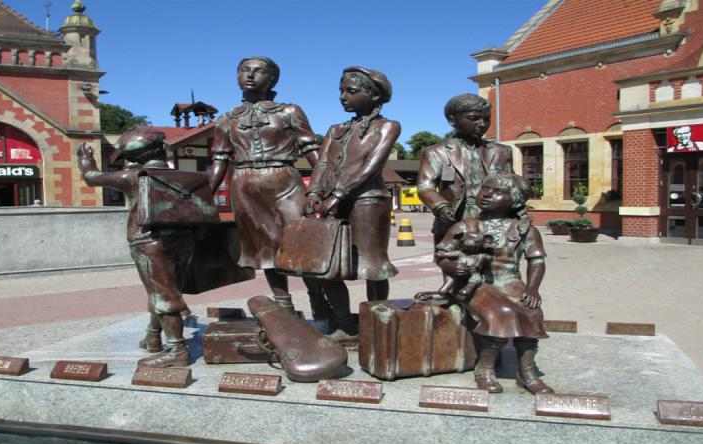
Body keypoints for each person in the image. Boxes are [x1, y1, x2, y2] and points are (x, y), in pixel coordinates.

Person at [209, 56, 325, 313]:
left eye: (258, 71)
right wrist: (207, 193)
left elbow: (310, 147)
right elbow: (219, 158)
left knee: (302, 240)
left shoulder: (289, 111)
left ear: (273, 79)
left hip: (285, 181)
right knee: (266, 249)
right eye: (244, 70)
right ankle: (283, 304)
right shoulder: (227, 119)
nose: (250, 75)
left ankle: (319, 301)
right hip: (245, 186)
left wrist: (324, 184)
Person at [77, 127, 199, 368]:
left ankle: (177, 350)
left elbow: (91, 177)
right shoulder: (182, 176)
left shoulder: (131, 177)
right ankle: (153, 337)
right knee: (168, 291)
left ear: (131, 157)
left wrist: (85, 159)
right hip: (184, 239)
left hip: (149, 242)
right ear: (162, 150)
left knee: (163, 295)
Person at [436, 172, 553, 395]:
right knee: (500, 312)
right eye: (485, 188)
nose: (487, 194)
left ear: (516, 199)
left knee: (533, 312)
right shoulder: (465, 226)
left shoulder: (525, 229)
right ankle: (485, 368)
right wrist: (452, 267)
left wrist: (532, 289)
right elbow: (441, 255)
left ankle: (527, 372)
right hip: (473, 284)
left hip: (510, 282)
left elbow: (537, 261)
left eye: (498, 191)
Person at [306, 66, 400, 337]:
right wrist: (314, 193)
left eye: (351, 91)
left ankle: (377, 323)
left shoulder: (388, 126)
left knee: (373, 265)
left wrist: (338, 194)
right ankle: (345, 323)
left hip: (368, 200)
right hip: (332, 202)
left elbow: (372, 166)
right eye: (341, 91)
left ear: (374, 95)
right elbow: (322, 163)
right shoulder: (336, 129)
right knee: (329, 266)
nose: (343, 97)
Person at [417, 94, 513, 243]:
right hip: (453, 221)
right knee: (452, 257)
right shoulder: (436, 152)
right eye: (474, 118)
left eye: (487, 118)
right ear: (452, 120)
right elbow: (425, 187)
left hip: (494, 222)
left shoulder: (502, 151)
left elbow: (512, 185)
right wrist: (441, 206)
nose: (482, 124)